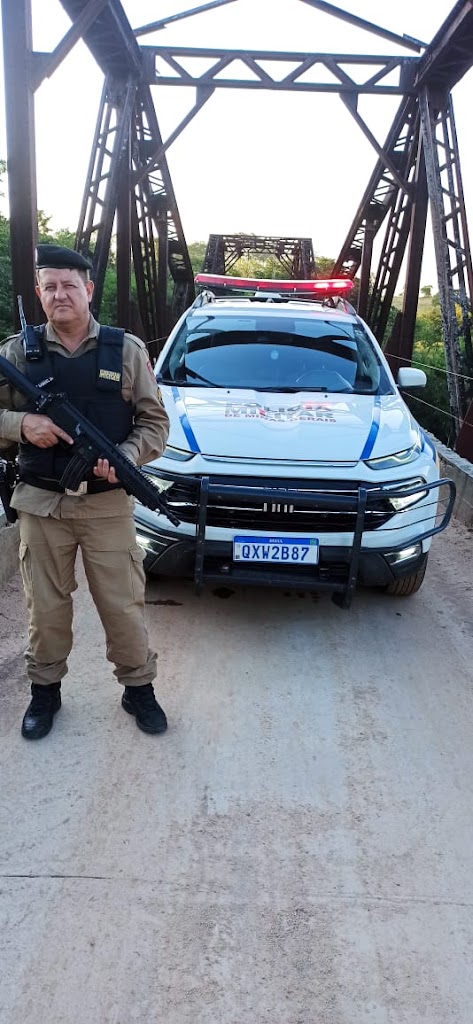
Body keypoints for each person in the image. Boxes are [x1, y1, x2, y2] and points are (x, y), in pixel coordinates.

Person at [0, 243, 170, 740]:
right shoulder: (16, 353)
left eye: (70, 285)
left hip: (105, 504)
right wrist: (21, 424)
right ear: (38, 293)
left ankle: (138, 687)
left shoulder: (126, 350)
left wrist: (126, 458)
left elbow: (155, 424)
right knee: (46, 608)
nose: (60, 295)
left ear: (89, 289)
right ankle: (44, 692)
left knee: (122, 603)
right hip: (41, 503)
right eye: (50, 286)